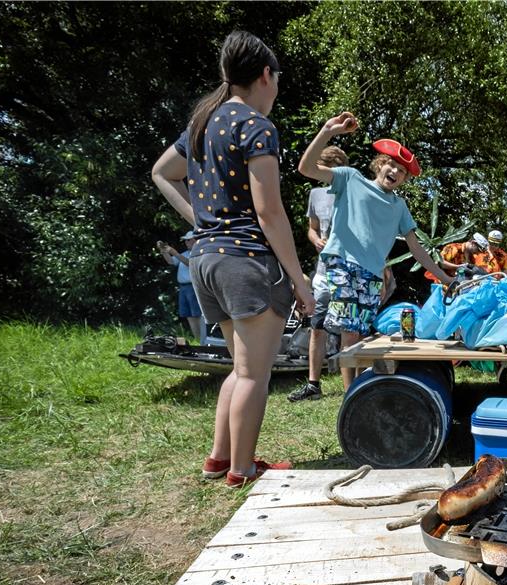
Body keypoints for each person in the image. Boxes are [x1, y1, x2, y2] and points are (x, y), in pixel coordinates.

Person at [151, 31, 313, 487]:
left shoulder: (204, 122)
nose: (276, 89)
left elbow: (162, 172)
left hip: (204, 261)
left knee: (239, 368)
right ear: (266, 75)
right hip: (244, 261)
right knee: (253, 376)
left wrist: (200, 221)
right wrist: (300, 281)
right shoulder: (256, 127)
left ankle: (219, 459)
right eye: (277, 80)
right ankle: (242, 470)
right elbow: (268, 211)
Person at [297, 113, 454, 390]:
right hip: (343, 264)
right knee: (349, 333)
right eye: (391, 165)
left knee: (359, 333)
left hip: (371, 273)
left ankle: (358, 390)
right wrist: (327, 132)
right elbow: (306, 168)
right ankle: (351, 396)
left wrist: (445, 277)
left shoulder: (399, 207)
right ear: (380, 164)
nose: (394, 172)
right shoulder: (350, 179)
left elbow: (417, 249)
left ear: (405, 179)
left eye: (402, 171)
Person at [287, 146, 349, 403]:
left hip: (347, 270)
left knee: (348, 329)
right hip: (323, 270)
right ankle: (314, 384)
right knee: (317, 326)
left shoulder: (351, 192)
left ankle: (351, 389)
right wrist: (315, 240)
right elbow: (312, 229)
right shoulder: (315, 194)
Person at [156, 230, 204, 340]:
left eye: (188, 240)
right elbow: (171, 262)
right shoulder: (185, 254)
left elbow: (189, 263)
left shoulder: (199, 253)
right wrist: (164, 251)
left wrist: (174, 251)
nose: (186, 242)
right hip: (183, 288)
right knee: (189, 315)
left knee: (197, 314)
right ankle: (198, 338)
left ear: (196, 240)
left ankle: (202, 339)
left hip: (193, 287)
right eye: (186, 241)